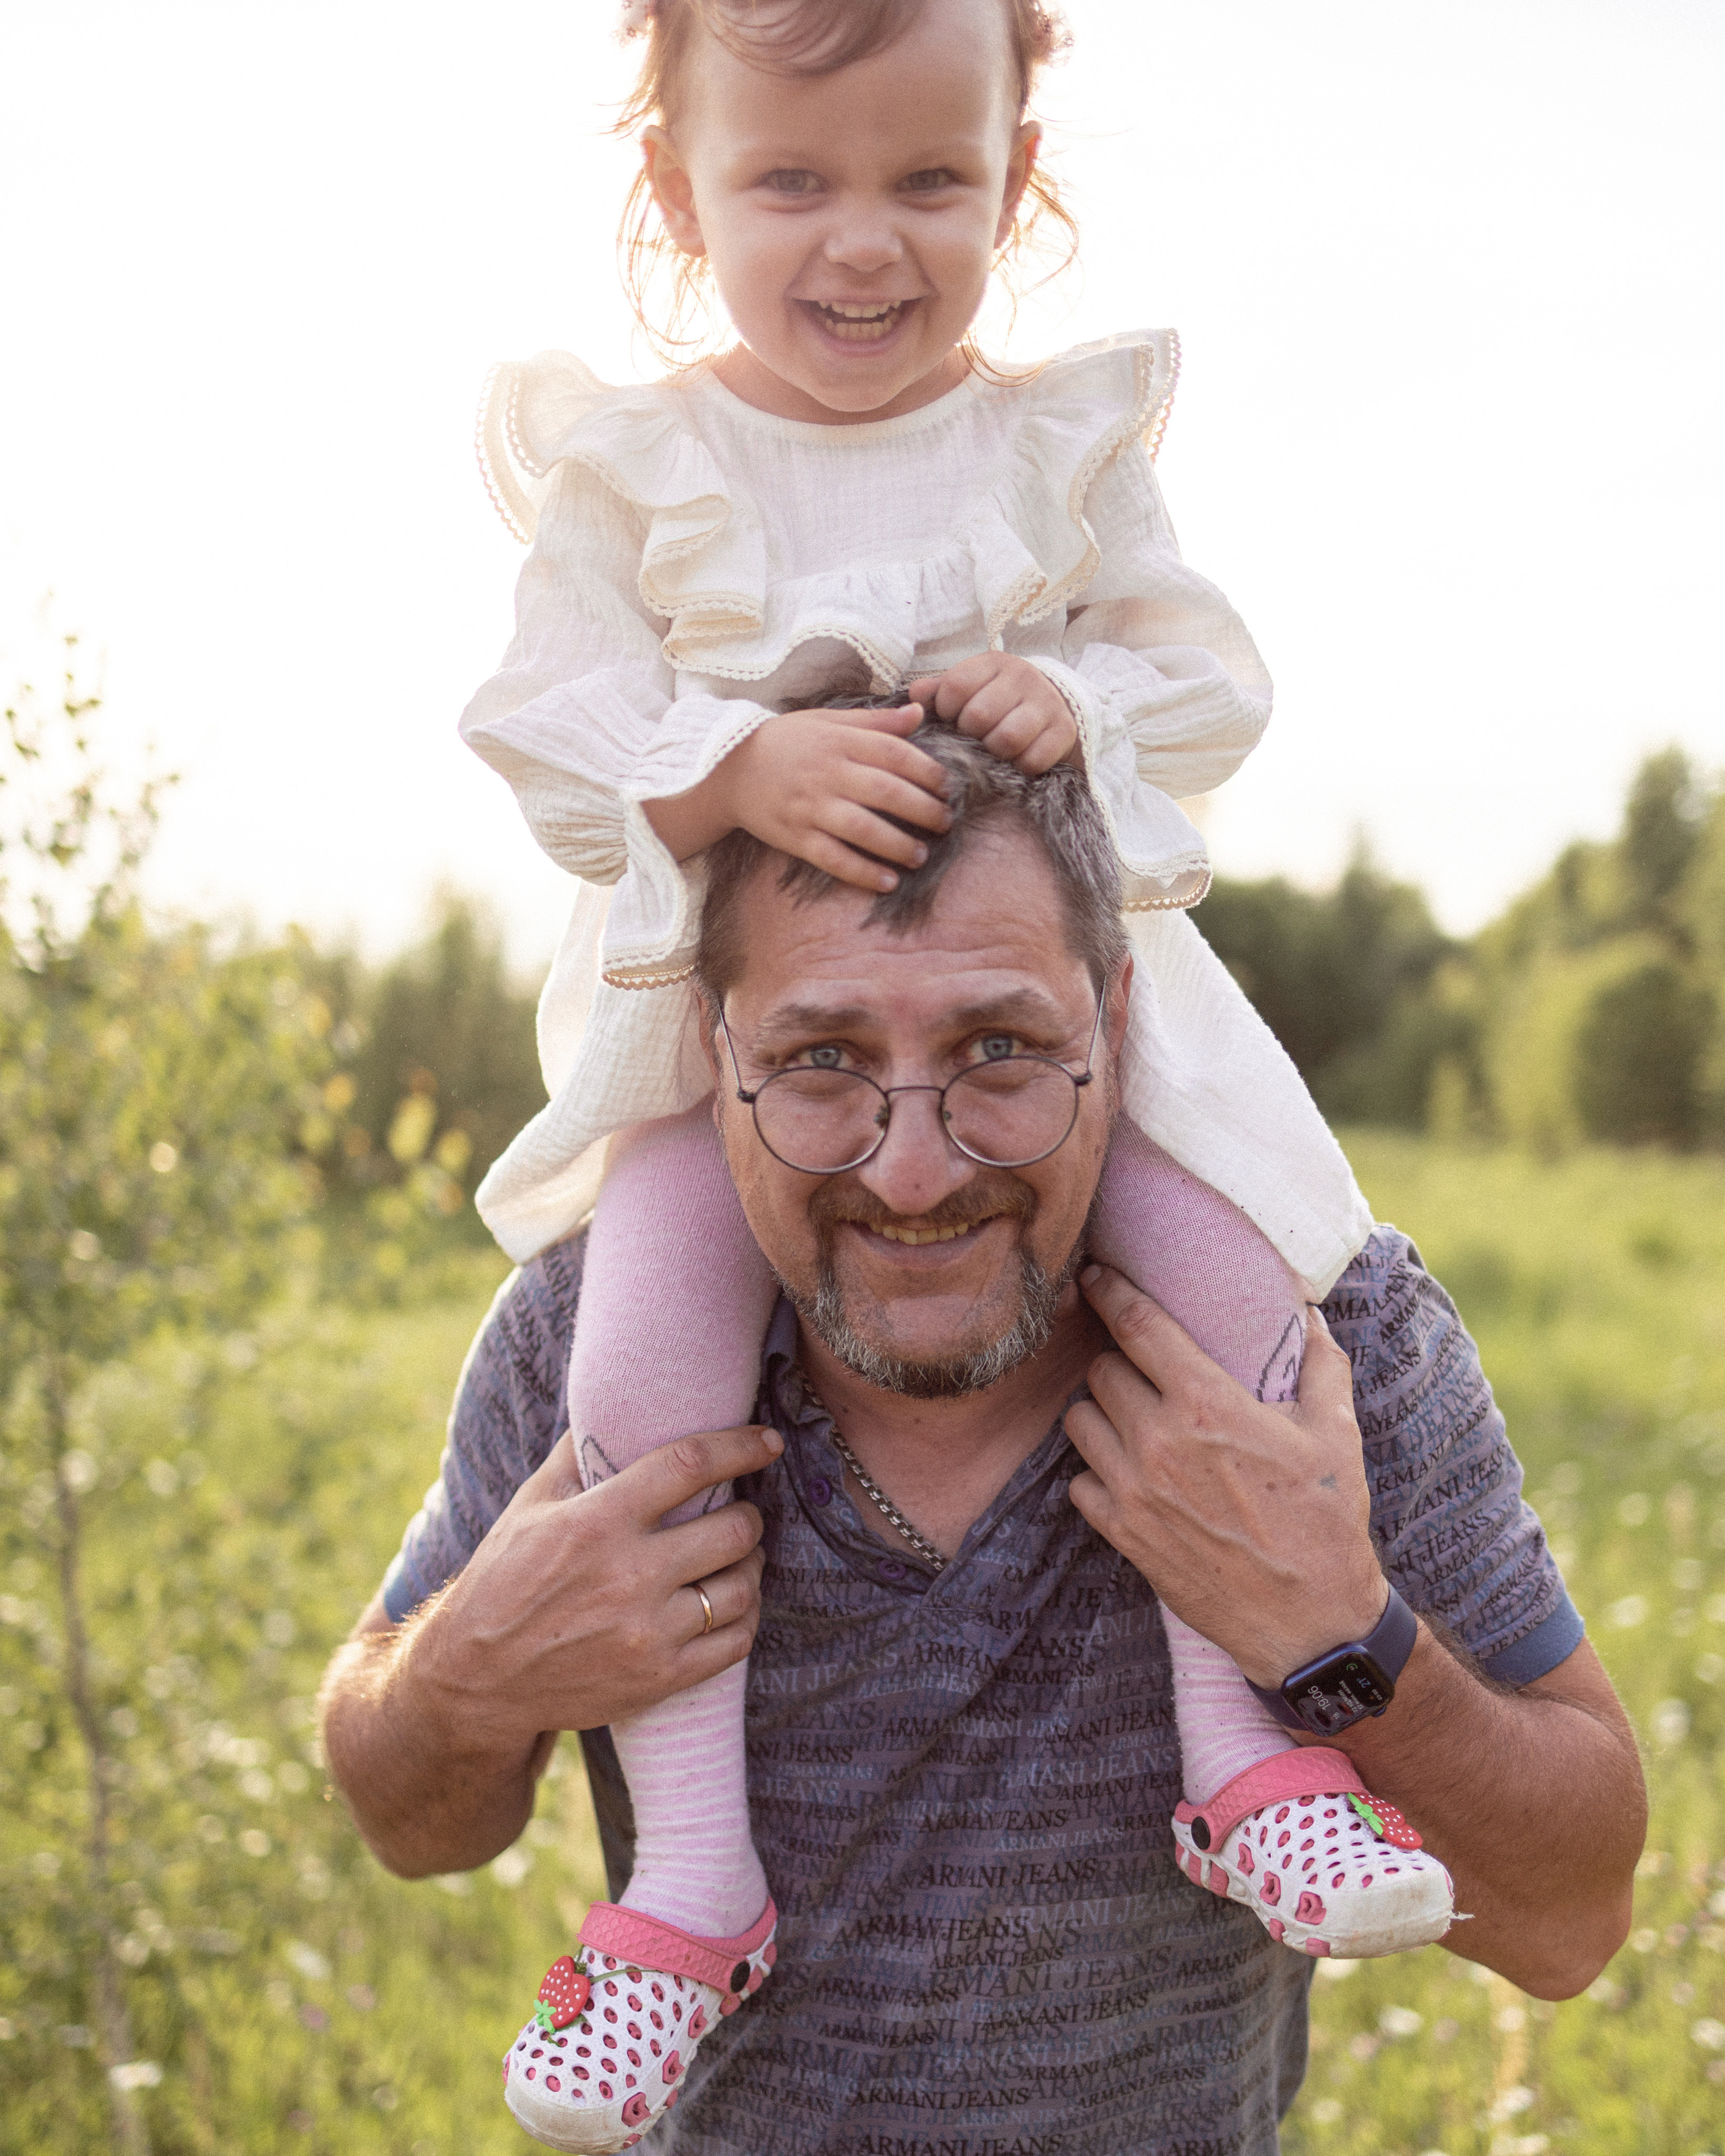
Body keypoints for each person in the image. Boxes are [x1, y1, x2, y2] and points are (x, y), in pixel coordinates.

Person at [450, 0, 1477, 2141]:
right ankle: (693, 1891)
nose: (864, 242)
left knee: (1229, 1315)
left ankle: (1247, 1760)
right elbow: (545, 721)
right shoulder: (643, 461)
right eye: (790, 181)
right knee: (638, 1385)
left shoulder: (1054, 449)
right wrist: (730, 756)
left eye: (932, 180)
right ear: (679, 193)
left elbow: (1204, 681)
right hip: (729, 1070)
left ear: (1017, 181)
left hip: (1072, 1048)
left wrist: (1063, 697)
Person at [319, 735, 1645, 2156]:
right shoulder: (586, 1345)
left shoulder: (1333, 1344)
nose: (912, 1168)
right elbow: (411, 1820)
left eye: (997, 1050)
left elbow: (1570, 1922)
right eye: (821, 1060)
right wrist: (463, 1675)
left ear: (1117, 1025)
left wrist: (1337, 1633)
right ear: (714, 1053)